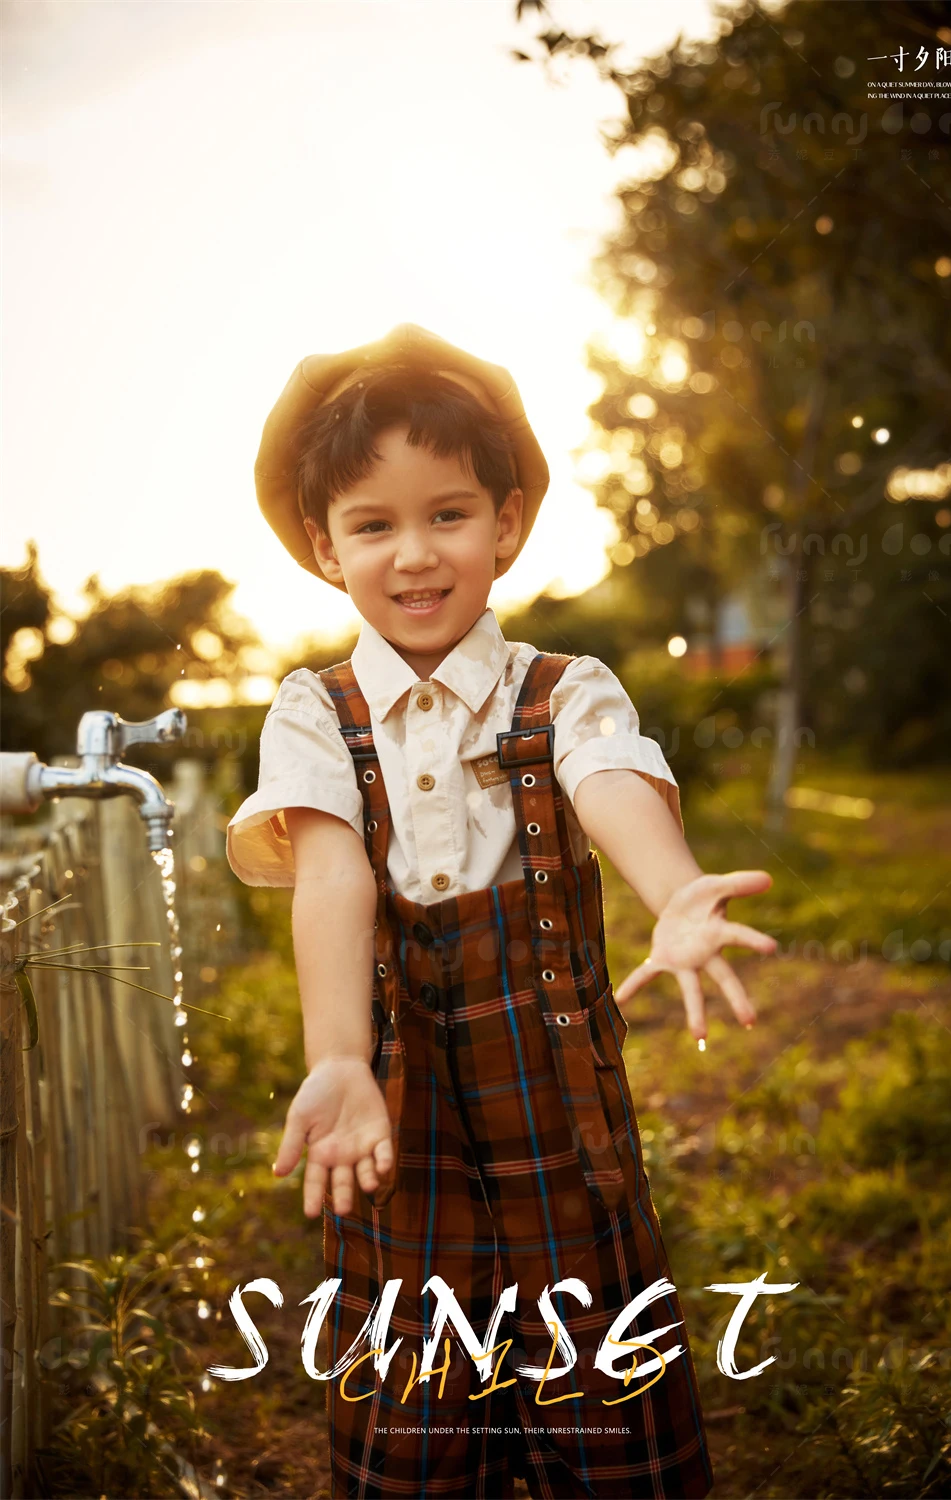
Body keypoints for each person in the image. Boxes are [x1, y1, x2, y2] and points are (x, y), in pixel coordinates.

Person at [226, 324, 777, 1499]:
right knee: (415, 1404)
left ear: (508, 523)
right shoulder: (314, 714)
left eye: (448, 514)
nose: (414, 555)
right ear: (325, 547)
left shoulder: (560, 689)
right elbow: (331, 873)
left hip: (557, 1114)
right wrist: (334, 1058)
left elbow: (608, 780)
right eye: (374, 525)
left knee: (599, 1390)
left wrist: (674, 895)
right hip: (394, 1114)